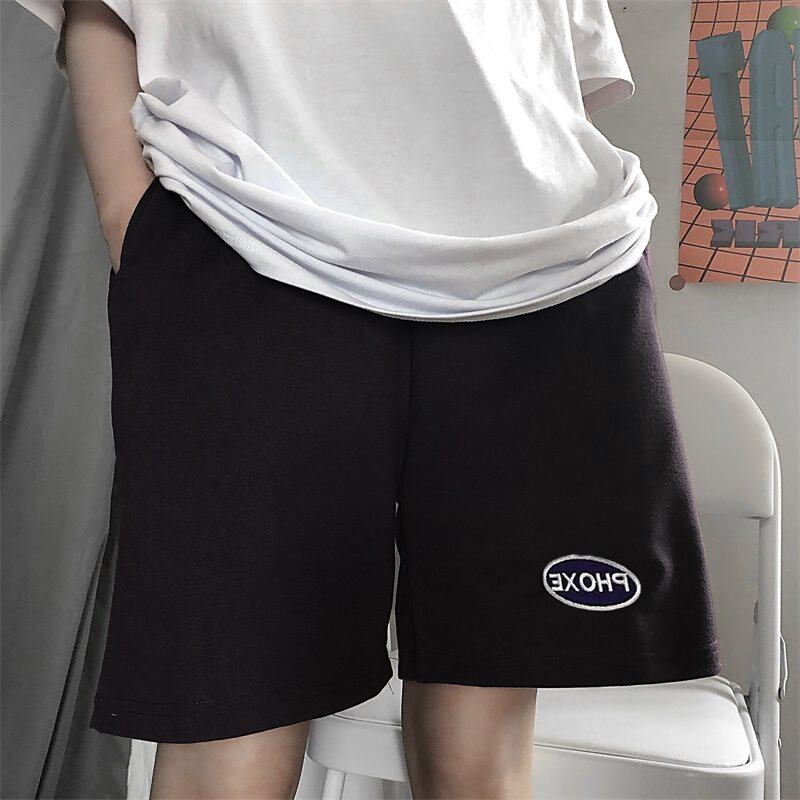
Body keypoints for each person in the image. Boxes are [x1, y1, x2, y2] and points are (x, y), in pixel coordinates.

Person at [15, 1, 722, 797]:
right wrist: (135, 221)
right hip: (248, 241)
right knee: (229, 735)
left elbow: (544, 64)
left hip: (538, 272)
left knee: (483, 748)